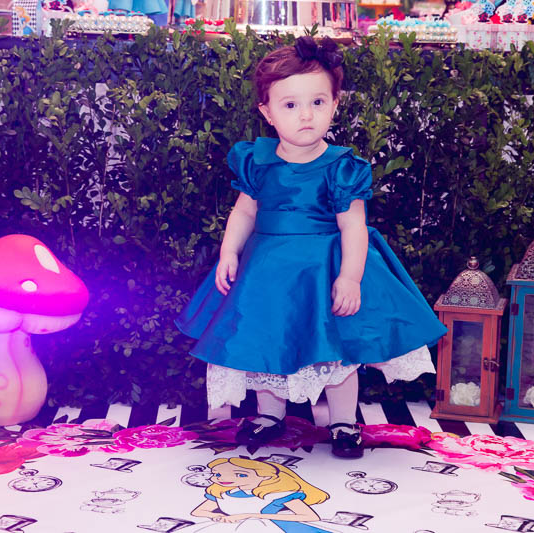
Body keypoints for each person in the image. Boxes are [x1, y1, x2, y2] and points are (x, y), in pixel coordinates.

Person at [176, 36, 447, 459]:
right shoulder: (257, 160)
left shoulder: (341, 167)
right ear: (267, 112)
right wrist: (229, 252)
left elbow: (354, 226)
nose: (306, 115)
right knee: (266, 339)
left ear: (335, 104)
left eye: (318, 102)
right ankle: (270, 416)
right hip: (267, 273)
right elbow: (244, 212)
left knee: (337, 351)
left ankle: (343, 422)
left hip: (323, 270)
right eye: (290, 105)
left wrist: (350, 277)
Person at [183, 457, 366, 532]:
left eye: (241, 475)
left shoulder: (277, 494)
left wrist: (250, 515)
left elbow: (310, 516)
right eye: (217, 475)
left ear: (265, 476)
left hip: (278, 527)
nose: (223, 479)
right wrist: (217, 517)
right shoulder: (223, 493)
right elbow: (199, 511)